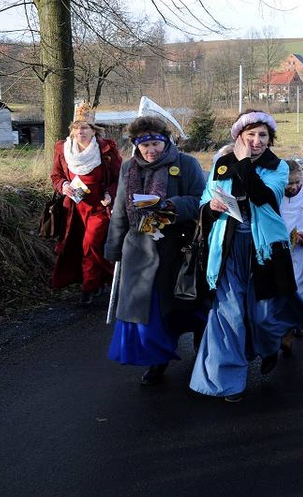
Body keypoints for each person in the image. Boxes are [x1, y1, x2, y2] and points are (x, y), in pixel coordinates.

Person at [189, 110, 303, 402]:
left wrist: (245, 163)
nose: (257, 141)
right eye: (251, 135)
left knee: (264, 317)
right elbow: (205, 201)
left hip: (265, 251)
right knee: (229, 314)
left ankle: (270, 345)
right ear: (239, 136)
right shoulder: (222, 164)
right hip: (228, 248)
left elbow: (266, 197)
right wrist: (211, 207)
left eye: (263, 136)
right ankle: (228, 383)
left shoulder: (277, 167)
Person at [104, 115, 207, 385]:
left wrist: (172, 205)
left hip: (178, 250)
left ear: (166, 141)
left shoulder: (186, 164)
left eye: (155, 144)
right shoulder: (128, 169)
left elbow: (202, 201)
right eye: (144, 145)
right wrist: (114, 249)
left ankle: (202, 349)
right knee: (148, 312)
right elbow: (119, 214)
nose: (150, 150)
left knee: (185, 306)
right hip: (139, 251)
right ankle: (157, 359)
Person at [50, 103, 122, 305]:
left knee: (90, 244)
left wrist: (110, 193)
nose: (80, 131)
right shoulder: (63, 150)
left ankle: (88, 288)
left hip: (99, 207)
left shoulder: (107, 150)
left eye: (85, 127)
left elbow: (119, 178)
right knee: (78, 247)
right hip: (73, 208)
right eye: (76, 127)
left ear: (93, 130)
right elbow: (56, 175)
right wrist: (63, 185)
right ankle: (99, 282)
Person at [279, 158, 303, 354]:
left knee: (298, 290)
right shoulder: (276, 196)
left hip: (301, 250)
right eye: (289, 183)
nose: (293, 187)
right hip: (279, 249)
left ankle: (288, 332)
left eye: (297, 182)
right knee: (281, 290)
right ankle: (293, 323)